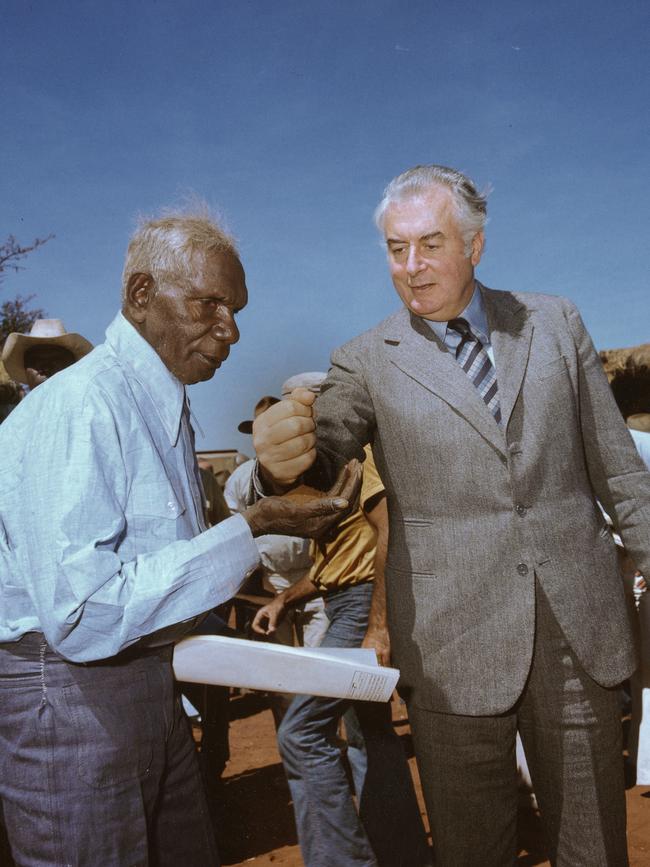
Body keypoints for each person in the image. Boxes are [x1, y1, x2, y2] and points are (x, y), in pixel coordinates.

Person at [252, 165, 650, 865]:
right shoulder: (365, 359)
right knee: (473, 850)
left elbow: (619, 468)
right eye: (395, 248)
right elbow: (330, 446)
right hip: (449, 645)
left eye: (430, 244)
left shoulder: (555, 323)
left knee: (594, 849)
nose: (410, 266)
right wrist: (285, 459)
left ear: (475, 244)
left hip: (575, 631)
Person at [0, 209, 358, 867]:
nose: (232, 329)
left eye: (237, 309)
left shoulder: (159, 409)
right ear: (141, 296)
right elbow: (83, 612)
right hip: (74, 700)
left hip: (148, 686)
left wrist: (260, 513)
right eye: (209, 303)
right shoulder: (83, 405)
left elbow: (172, 562)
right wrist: (251, 529)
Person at [253, 373, 430, 867]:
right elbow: (337, 565)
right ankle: (403, 855)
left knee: (301, 732)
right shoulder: (324, 469)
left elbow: (388, 532)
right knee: (369, 737)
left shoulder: (356, 455)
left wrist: (378, 626)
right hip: (348, 601)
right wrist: (285, 599)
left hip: (362, 607)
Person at [227, 390, 328, 651]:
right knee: (281, 656)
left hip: (313, 579)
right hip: (272, 581)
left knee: (318, 656)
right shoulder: (241, 478)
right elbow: (234, 529)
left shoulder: (310, 470)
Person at [2, 317, 93, 390]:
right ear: (26, 369)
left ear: (71, 365)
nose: (45, 368)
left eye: (56, 360)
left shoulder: (91, 407)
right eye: (35, 361)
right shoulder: (20, 412)